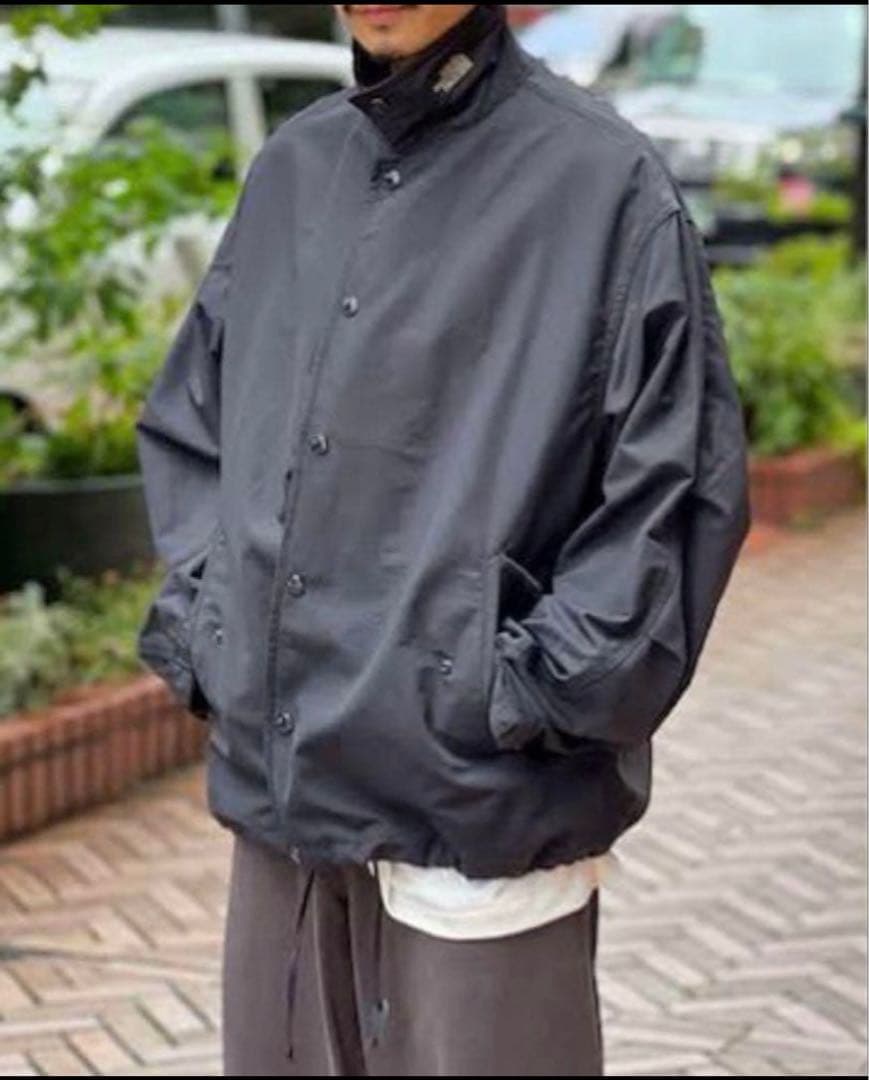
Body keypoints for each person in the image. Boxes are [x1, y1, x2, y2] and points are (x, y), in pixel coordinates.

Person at [134, 4, 751, 1075]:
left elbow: (672, 491)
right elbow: (195, 424)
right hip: (284, 806)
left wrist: (515, 697)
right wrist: (215, 637)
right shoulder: (295, 170)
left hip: (477, 816)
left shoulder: (600, 184)